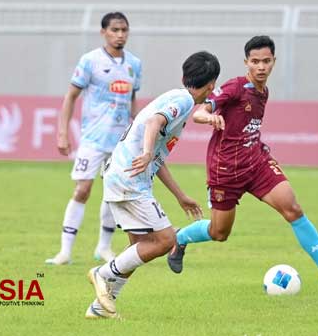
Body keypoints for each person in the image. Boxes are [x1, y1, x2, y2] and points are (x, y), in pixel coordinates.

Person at [167, 36, 318, 292]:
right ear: (246, 62)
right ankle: (179, 238)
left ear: (273, 62)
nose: (261, 67)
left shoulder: (263, 92)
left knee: (293, 209)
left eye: (266, 61)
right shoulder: (235, 87)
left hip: (257, 163)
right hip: (225, 170)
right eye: (255, 61)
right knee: (219, 232)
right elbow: (203, 108)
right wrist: (207, 117)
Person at [85, 51, 220, 319]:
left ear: (184, 75)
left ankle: (101, 307)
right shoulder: (182, 100)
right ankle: (101, 273)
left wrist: (180, 195)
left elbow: (157, 159)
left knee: (138, 246)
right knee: (166, 239)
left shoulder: (177, 99)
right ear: (211, 84)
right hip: (128, 179)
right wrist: (146, 152)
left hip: (123, 175)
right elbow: (153, 121)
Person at [46, 12, 142, 265]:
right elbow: (70, 96)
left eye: (124, 30)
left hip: (121, 141)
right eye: (115, 30)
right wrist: (63, 132)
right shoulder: (90, 61)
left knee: (114, 192)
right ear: (104, 33)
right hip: (92, 139)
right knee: (83, 189)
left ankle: (104, 247)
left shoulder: (134, 64)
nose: (120, 34)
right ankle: (65, 251)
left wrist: (140, 129)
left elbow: (132, 100)